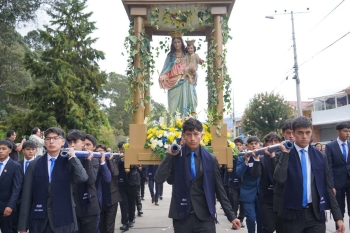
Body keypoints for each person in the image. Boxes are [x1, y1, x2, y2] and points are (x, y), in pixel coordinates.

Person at [155, 118, 241, 232]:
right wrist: (169, 156)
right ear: (183, 136)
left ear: (202, 135)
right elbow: (158, 179)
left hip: (205, 216)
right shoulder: (175, 157)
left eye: (196, 134)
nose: (192, 138)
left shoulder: (210, 159)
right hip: (181, 216)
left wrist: (232, 216)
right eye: (189, 134)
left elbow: (219, 189)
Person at [274, 116, 345, 233]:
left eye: (308, 132)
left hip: (315, 214)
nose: (304, 136)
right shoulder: (282, 154)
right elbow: (280, 179)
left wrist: (338, 217)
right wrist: (285, 154)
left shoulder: (320, 156)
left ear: (311, 132)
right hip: (292, 215)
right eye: (300, 133)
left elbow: (327, 186)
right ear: (293, 133)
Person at [18, 127, 88, 233]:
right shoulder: (34, 164)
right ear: (44, 142)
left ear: (63, 142)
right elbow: (26, 196)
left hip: (64, 219)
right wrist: (22, 227)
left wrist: (73, 157)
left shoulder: (68, 162)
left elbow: (82, 178)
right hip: (40, 220)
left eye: (55, 138)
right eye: (48, 138)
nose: (51, 141)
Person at [67, 129, 100, 233]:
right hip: (72, 208)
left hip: (89, 207)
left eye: (75, 142)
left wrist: (88, 161)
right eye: (70, 142)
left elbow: (91, 181)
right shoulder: (66, 159)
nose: (72, 145)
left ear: (83, 143)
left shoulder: (92, 159)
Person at [159, 31, 197, 117]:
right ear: (172, 44)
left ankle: (187, 122)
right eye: (175, 42)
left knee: (186, 106)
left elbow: (193, 67)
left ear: (182, 42)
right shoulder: (170, 56)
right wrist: (162, 77)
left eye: (178, 42)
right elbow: (165, 70)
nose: (177, 44)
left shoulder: (187, 55)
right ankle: (173, 124)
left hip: (186, 82)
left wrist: (193, 73)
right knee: (173, 108)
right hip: (173, 83)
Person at [325, 122, 350, 230]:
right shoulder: (330, 146)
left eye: (349, 131)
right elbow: (329, 166)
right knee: (339, 211)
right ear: (338, 131)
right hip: (337, 183)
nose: (348, 133)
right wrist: (332, 185)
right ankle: (339, 230)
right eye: (345, 131)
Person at [255, 132, 281, 233]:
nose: (273, 144)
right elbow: (256, 174)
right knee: (268, 228)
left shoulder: (284, 156)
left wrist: (273, 157)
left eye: (275, 141)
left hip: (280, 198)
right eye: (270, 142)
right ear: (265, 144)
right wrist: (256, 160)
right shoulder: (261, 158)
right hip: (266, 199)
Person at [236, 136, 262, 233]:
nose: (254, 145)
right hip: (247, 193)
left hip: (261, 193)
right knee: (251, 218)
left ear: (259, 145)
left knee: (261, 219)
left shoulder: (263, 157)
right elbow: (238, 173)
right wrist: (246, 161)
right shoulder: (242, 157)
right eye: (251, 144)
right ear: (247, 146)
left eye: (256, 143)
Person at [272, 119, 294, 233]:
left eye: (293, 132)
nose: (291, 136)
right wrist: (285, 153)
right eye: (288, 133)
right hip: (281, 198)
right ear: (283, 133)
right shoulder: (278, 151)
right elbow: (279, 177)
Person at [85, 139, 111, 233]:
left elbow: (108, 179)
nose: (85, 147)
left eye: (88, 144)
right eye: (84, 144)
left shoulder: (97, 160)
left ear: (94, 147)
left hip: (94, 203)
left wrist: (103, 162)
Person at [12, 140, 37, 233]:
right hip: (19, 200)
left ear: (36, 150)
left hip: (35, 199)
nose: (30, 151)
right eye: (28, 149)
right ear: (23, 150)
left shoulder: (39, 163)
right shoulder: (17, 164)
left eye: (33, 149)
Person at [0, 140, 23, 233]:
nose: (0, 151)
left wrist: (10, 206)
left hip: (6, 208)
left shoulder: (15, 166)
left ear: (10, 151)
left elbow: (16, 188)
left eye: (3, 149)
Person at [117, 141, 141, 231]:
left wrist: (130, 159)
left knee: (131, 202)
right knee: (123, 204)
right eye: (122, 149)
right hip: (122, 183)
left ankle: (131, 219)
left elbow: (137, 166)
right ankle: (124, 223)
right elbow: (116, 166)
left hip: (132, 182)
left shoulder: (133, 156)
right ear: (119, 149)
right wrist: (122, 160)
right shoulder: (117, 157)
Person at [226, 138, 246, 229]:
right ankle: (234, 220)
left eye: (240, 145)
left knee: (243, 203)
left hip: (244, 183)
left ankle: (241, 219)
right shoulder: (230, 156)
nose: (238, 146)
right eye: (236, 145)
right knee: (234, 201)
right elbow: (225, 171)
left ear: (243, 146)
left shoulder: (246, 155)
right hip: (233, 182)